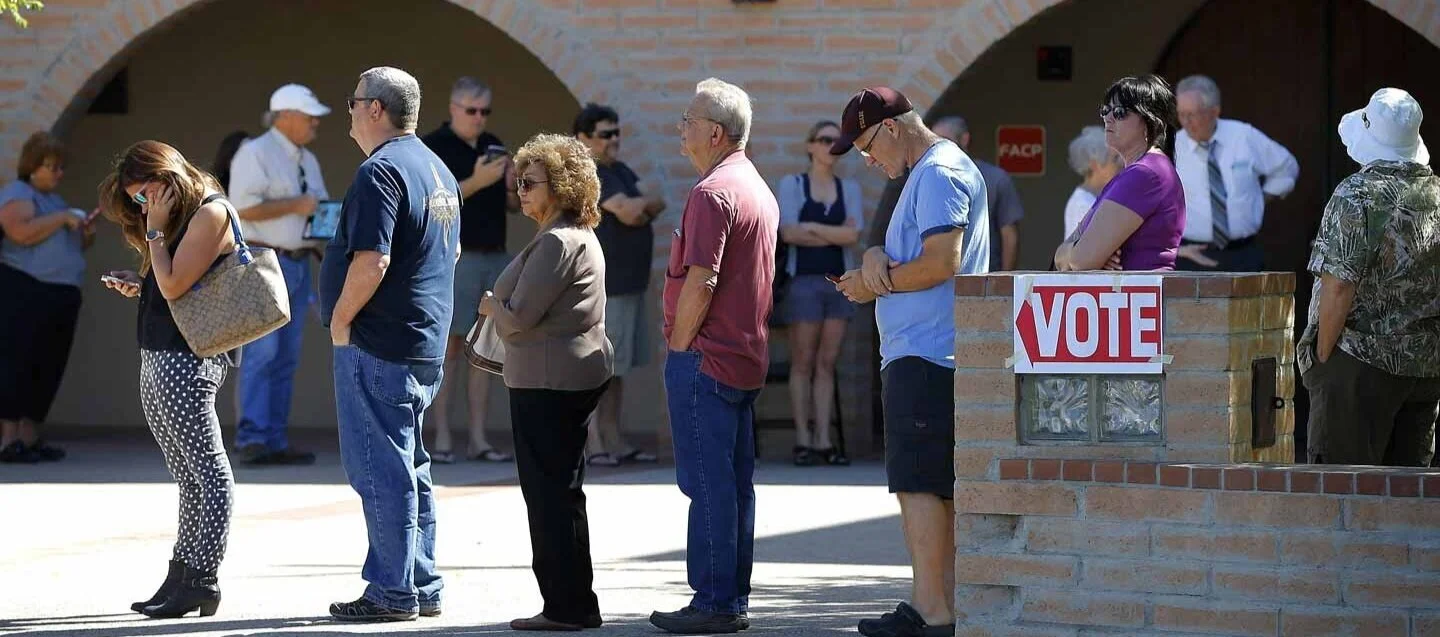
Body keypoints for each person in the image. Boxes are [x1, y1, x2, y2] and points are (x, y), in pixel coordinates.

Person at [827, 86, 989, 637]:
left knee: (919, 485)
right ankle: (939, 603)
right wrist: (876, 259)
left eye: (868, 146)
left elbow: (943, 261)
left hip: (929, 353)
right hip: (925, 352)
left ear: (892, 127)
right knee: (930, 485)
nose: (869, 161)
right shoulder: (923, 173)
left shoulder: (939, 171)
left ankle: (931, 610)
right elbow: (910, 253)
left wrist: (878, 284)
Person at [322, 66, 458, 622]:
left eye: (353, 102)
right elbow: (446, 256)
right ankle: (420, 582)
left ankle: (390, 590)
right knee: (410, 465)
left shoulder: (380, 172)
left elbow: (372, 260)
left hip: (379, 342)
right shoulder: (437, 168)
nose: (349, 112)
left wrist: (340, 320)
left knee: (380, 467)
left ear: (375, 108)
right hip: (421, 340)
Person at [650, 78, 778, 635]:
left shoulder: (712, 193)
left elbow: (702, 280)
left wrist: (679, 348)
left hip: (707, 357)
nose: (682, 128)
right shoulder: (755, 187)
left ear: (716, 131)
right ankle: (729, 598)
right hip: (742, 357)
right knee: (731, 485)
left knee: (706, 484)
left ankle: (714, 603)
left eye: (689, 119)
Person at [99, 140, 239, 618]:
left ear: (168, 177)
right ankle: (181, 573)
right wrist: (139, 284)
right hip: (160, 351)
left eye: (146, 195)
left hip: (190, 357)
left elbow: (177, 284)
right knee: (187, 476)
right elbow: (173, 285)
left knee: (210, 474)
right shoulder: (174, 218)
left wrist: (155, 232)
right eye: (137, 200)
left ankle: (203, 577)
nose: (144, 207)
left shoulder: (209, 212)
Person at [480, 133, 613, 632]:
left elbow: (517, 319)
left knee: (550, 496)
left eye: (531, 183)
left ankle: (567, 607)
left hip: (549, 382)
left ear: (561, 185)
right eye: (519, 182)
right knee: (561, 492)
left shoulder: (559, 240)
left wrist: (491, 304)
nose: (521, 191)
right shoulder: (569, 234)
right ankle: (573, 604)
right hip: (559, 376)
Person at [1300, 87, 1440, 467]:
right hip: (1424, 366)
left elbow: (1340, 284)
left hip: (1359, 362)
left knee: (1342, 493)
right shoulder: (1436, 193)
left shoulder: (1358, 193)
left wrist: (1322, 354)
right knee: (1407, 503)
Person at [227, 83, 331, 466]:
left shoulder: (308, 159)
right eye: (308, 117)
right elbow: (242, 209)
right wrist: (296, 204)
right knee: (262, 352)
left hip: (300, 263)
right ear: (285, 116)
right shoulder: (254, 153)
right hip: (263, 263)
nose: (315, 124)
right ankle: (253, 438)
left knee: (287, 356)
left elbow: (316, 209)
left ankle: (274, 439)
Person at [421, 77, 516, 464]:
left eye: (485, 111)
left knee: (485, 349)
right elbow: (432, 204)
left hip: (495, 256)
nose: (479, 118)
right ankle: (441, 435)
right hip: (455, 258)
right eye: (472, 110)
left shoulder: (492, 143)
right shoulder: (433, 147)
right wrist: (477, 182)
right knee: (450, 347)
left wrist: (509, 185)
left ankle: (478, 438)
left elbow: (509, 207)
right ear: (453, 108)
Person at [573, 102, 663, 468]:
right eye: (606, 134)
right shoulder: (592, 174)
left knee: (617, 369)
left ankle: (614, 437)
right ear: (583, 138)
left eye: (616, 133)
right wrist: (636, 207)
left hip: (630, 285)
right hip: (605, 289)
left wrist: (638, 206)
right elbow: (629, 211)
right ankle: (592, 442)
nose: (614, 140)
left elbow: (656, 201)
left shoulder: (619, 170)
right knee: (597, 369)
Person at [0, 132, 91, 463]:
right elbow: (20, 233)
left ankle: (30, 436)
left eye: (61, 168)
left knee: (47, 366)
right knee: (17, 363)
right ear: (32, 166)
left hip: (60, 294)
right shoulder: (19, 193)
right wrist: (63, 218)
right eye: (51, 167)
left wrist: (82, 229)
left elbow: (71, 246)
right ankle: (8, 440)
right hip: (26, 290)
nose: (57, 174)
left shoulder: (56, 201)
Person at [777, 119, 860, 467]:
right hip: (803, 282)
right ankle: (803, 439)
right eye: (824, 140)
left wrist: (813, 227)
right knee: (803, 362)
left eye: (837, 140)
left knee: (827, 364)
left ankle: (825, 439)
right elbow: (789, 232)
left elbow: (853, 235)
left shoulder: (849, 188)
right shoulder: (793, 184)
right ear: (810, 146)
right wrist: (830, 232)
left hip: (838, 282)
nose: (831, 146)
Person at [1054, 75, 1185, 272]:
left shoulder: (1144, 174)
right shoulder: (1139, 172)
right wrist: (1080, 252)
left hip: (1141, 297)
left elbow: (1081, 261)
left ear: (1150, 122)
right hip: (1128, 297)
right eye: (1105, 110)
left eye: (1120, 112)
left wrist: (1075, 251)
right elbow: (1065, 257)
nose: (1108, 118)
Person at [1173, 74, 1298, 272]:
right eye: (1181, 114)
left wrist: (1262, 198)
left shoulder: (1243, 136)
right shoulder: (1171, 147)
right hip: (1191, 257)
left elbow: (1286, 168)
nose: (1186, 122)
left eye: (1193, 114)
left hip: (1242, 254)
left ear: (1214, 111)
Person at [867, 115, 1023, 272]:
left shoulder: (993, 178)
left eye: (944, 138)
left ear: (964, 139)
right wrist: (875, 253)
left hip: (980, 276)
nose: (936, 144)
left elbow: (1009, 234)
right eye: (934, 137)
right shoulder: (916, 176)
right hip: (925, 281)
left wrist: (1004, 279)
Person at [1063, 126, 1123, 240]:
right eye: (1115, 159)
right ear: (1095, 164)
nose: (1121, 164)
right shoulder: (1082, 205)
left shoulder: (1097, 197)